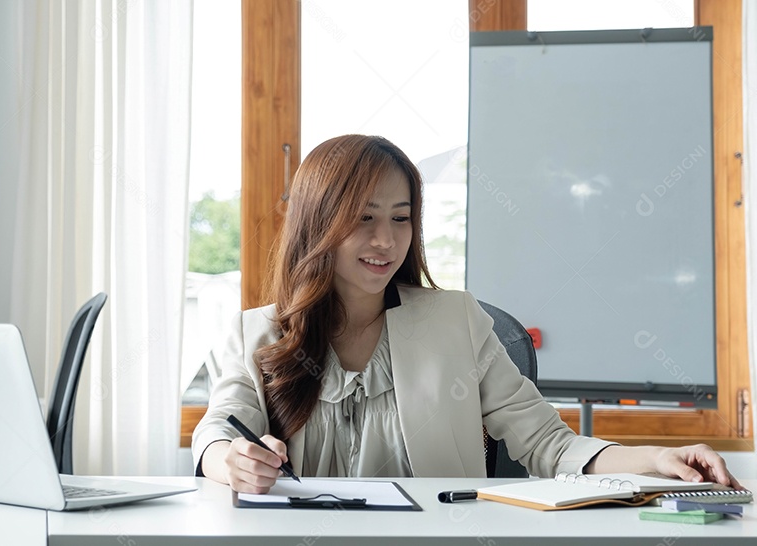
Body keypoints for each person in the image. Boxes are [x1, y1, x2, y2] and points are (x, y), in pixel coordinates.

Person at [191, 134, 740, 494]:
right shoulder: (256, 332)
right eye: (364, 218)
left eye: (402, 218)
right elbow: (218, 431)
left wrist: (658, 458)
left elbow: (547, 444)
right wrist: (230, 460)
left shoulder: (456, 321)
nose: (386, 240)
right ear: (319, 225)